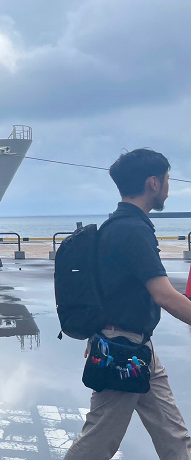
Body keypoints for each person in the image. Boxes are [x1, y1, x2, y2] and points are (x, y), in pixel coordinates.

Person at [64, 149, 191, 460]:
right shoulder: (133, 231)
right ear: (153, 183)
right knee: (97, 442)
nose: (168, 187)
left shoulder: (115, 225)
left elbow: (108, 289)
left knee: (174, 435)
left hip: (135, 345)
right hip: (123, 350)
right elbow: (164, 295)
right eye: (167, 180)